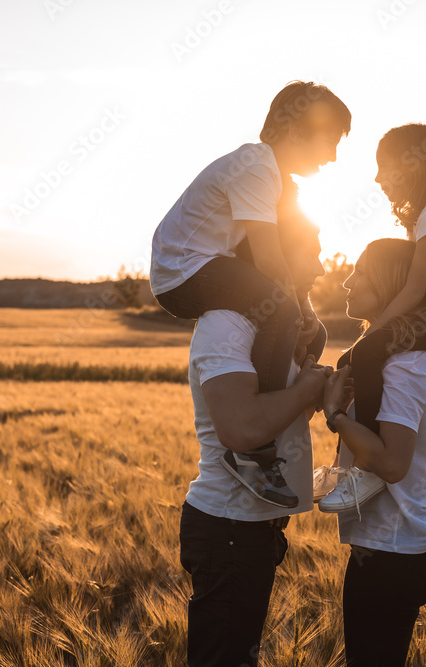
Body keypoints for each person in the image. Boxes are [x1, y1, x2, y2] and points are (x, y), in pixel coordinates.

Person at [152, 80, 351, 508]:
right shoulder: (257, 165)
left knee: (310, 332)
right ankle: (251, 453)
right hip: (184, 271)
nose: (333, 155)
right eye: (330, 141)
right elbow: (269, 259)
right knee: (283, 310)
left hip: (208, 265)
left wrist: (307, 320)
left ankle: (275, 409)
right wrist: (297, 310)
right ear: (296, 130)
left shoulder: (275, 176)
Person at [319, 123, 426, 514]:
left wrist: (373, 336)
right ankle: (342, 467)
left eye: (385, 167)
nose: (379, 178)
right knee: (353, 360)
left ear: (412, 166)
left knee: (365, 354)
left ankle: (367, 468)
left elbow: (414, 290)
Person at [178, 214, 331, 667]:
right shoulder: (227, 325)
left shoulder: (275, 332)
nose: (322, 269)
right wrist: (307, 388)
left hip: (254, 529)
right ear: (276, 254)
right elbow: (242, 429)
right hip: (229, 529)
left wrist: (321, 393)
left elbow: (277, 416)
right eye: (313, 253)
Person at [321, 238, 426, 666]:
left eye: (361, 272)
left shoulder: (405, 365)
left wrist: (335, 416)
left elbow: (393, 464)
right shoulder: (397, 360)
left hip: (392, 553)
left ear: (392, 284)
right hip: (401, 544)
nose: (347, 280)